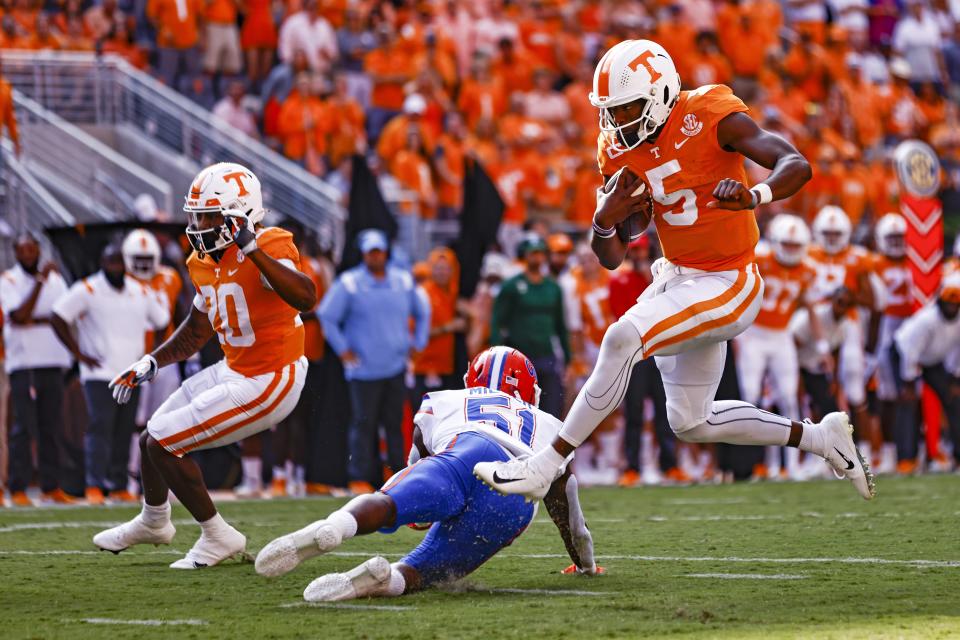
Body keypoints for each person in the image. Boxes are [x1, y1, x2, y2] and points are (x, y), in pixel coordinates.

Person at [475, 39, 875, 501]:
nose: (617, 122)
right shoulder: (617, 149)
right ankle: (821, 438)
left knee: (622, 338)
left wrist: (755, 196)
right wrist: (605, 219)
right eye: (611, 111)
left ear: (661, 93)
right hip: (679, 275)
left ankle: (546, 463)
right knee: (691, 421)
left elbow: (795, 163)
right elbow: (611, 256)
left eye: (627, 109)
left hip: (730, 281)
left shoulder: (707, 113)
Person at [91, 162, 316, 568]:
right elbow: (198, 328)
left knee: (163, 440)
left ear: (240, 216)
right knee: (149, 439)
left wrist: (252, 249)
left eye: (210, 215)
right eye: (197, 214)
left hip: (272, 376)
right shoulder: (202, 259)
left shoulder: (271, 243)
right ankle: (154, 520)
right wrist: (151, 362)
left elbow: (306, 296)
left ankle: (218, 535)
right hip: (236, 368)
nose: (199, 224)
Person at [255, 347, 598, 602]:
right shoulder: (551, 425)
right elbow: (568, 515)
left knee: (386, 503)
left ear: (471, 380)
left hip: (463, 453)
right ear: (530, 390)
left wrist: (411, 508)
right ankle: (386, 579)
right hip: (513, 502)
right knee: (427, 568)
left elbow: (416, 465)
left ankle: (334, 527)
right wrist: (584, 563)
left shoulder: (446, 399)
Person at [52, 243, 171, 505]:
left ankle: (118, 484)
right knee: (100, 427)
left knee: (124, 429)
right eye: (110, 262)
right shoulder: (89, 289)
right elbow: (58, 316)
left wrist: (151, 354)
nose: (115, 267)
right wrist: (78, 354)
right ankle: (94, 484)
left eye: (119, 262)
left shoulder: (139, 291)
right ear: (102, 264)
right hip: (99, 372)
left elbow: (162, 321)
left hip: (131, 373)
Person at [318, 229, 430, 494]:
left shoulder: (402, 281)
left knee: (394, 423)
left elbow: (423, 310)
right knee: (362, 423)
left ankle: (396, 474)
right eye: (370, 252)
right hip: (363, 368)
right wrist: (343, 350)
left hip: (395, 364)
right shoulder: (350, 283)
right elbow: (327, 316)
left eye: (378, 251)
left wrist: (419, 343)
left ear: (385, 253)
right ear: (364, 254)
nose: (375, 257)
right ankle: (359, 476)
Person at [734, 214, 823, 480]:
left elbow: (811, 308)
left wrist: (822, 347)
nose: (791, 250)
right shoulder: (759, 260)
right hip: (753, 334)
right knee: (749, 397)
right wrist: (736, 334)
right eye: (787, 244)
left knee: (788, 398)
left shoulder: (808, 270)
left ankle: (791, 465)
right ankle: (758, 463)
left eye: (796, 245)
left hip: (781, 336)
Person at [0, 233, 73, 506]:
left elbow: (62, 315)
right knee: (24, 427)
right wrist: (39, 286)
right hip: (25, 363)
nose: (29, 255)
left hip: (53, 360)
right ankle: (17, 488)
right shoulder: (9, 280)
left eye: (33, 250)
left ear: (39, 250)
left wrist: (38, 319)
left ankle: (51, 486)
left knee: (51, 427)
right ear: (16, 253)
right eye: (23, 251)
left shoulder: (56, 279)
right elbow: (19, 315)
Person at [121, 230, 183, 479]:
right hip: (133, 357)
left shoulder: (170, 277)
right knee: (136, 419)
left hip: (165, 358)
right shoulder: (120, 280)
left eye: (148, 259)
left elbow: (181, 313)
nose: (144, 265)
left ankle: (162, 473)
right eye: (139, 259)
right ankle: (132, 473)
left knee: (167, 417)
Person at [490, 233, 570, 418]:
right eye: (532, 253)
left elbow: (561, 325)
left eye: (540, 253)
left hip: (547, 355)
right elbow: (497, 322)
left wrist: (567, 358)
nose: (537, 257)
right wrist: (497, 355)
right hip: (519, 358)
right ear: (524, 255)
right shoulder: (511, 285)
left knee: (551, 410)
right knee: (519, 409)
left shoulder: (553, 287)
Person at [890, 273, 960, 472]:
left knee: (953, 401)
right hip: (904, 353)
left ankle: (958, 457)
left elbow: (958, 351)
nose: (953, 305)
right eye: (949, 300)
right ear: (940, 299)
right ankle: (906, 459)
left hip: (932, 359)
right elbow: (911, 352)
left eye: (957, 302)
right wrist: (909, 382)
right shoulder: (927, 320)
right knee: (907, 401)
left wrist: (956, 377)